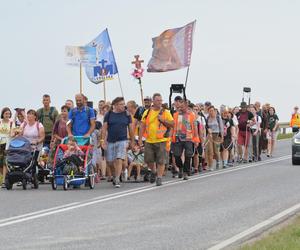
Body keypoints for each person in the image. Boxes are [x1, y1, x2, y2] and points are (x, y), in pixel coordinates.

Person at [139, 93, 174, 186]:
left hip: (162, 140)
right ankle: (154, 171)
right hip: (149, 140)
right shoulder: (147, 112)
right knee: (148, 159)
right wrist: (139, 139)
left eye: (161, 100)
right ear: (153, 101)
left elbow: (172, 124)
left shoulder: (166, 112)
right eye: (158, 100)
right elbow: (142, 125)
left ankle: (159, 177)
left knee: (161, 160)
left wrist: (163, 120)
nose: (160, 102)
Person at [100, 97, 135, 188]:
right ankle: (116, 174)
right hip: (110, 141)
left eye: (124, 104)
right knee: (110, 162)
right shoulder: (109, 114)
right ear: (115, 105)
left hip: (122, 140)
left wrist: (132, 141)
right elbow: (104, 128)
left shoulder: (127, 114)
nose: (123, 106)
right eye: (121, 104)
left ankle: (117, 178)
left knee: (119, 159)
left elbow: (131, 129)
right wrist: (102, 140)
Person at [171, 100, 199, 180]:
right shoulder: (176, 115)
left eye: (182, 106)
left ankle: (185, 172)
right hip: (177, 138)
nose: (181, 108)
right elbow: (173, 127)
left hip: (188, 138)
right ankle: (180, 168)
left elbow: (195, 126)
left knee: (188, 155)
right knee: (176, 155)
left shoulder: (192, 115)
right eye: (180, 106)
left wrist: (196, 139)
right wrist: (171, 137)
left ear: (186, 106)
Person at [20, 110, 45, 177]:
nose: (28, 115)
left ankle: (33, 177)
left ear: (35, 116)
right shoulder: (24, 124)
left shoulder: (39, 125)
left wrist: (37, 141)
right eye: (28, 114)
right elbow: (20, 134)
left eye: (31, 114)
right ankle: (22, 175)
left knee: (33, 162)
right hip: (25, 147)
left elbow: (42, 137)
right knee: (23, 161)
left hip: (36, 147)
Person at [205, 105, 224, 171]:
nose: (211, 112)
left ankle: (218, 161)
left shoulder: (218, 118)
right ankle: (210, 165)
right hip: (209, 135)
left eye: (212, 110)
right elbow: (206, 126)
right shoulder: (207, 118)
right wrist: (208, 129)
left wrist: (222, 137)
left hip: (217, 134)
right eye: (210, 111)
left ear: (215, 111)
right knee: (210, 151)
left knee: (216, 151)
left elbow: (221, 128)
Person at [0, 108, 15, 188]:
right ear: (3, 114)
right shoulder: (0, 122)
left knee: (5, 162)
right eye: (6, 113)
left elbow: (13, 132)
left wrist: (12, 134)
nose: (7, 115)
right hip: (0, 144)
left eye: (9, 114)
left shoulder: (11, 123)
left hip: (7, 144)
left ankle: (3, 181)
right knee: (0, 164)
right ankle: (7, 178)